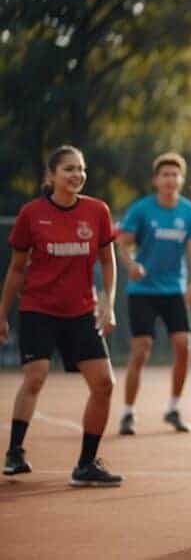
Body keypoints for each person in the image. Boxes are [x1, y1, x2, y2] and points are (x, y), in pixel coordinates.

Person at [1, 145, 123, 486]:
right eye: (68, 169)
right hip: (39, 309)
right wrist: (2, 314)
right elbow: (15, 270)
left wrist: (108, 302)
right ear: (51, 176)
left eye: (80, 169)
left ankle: (86, 465)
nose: (76, 175)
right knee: (36, 376)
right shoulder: (31, 214)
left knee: (104, 384)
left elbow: (108, 260)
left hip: (81, 312)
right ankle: (15, 453)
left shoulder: (97, 211)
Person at [117, 152, 191, 435]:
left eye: (175, 174)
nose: (170, 179)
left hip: (173, 290)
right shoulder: (141, 210)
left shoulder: (190, 213)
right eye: (165, 174)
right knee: (141, 350)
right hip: (142, 290)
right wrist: (131, 265)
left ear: (181, 180)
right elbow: (123, 242)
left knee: (183, 346)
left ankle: (173, 408)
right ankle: (128, 412)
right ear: (156, 180)